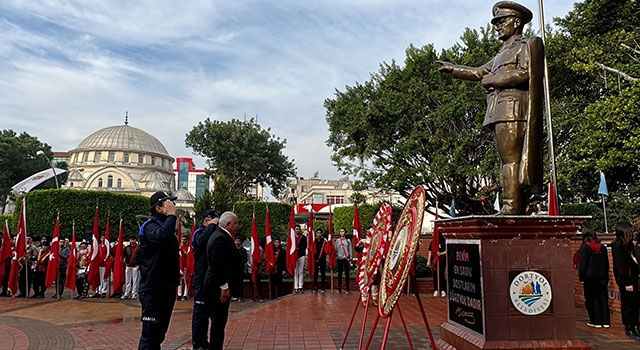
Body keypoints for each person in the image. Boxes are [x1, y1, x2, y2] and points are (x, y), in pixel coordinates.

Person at [437, 1, 544, 214]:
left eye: (501, 21)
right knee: (506, 161)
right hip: (500, 112)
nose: (497, 26)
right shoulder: (501, 53)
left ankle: (511, 207)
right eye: (496, 22)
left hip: (514, 111)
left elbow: (526, 74)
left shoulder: (527, 44)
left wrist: (494, 80)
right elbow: (479, 73)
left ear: (516, 22)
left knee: (511, 161)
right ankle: (512, 205)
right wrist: (454, 69)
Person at [136, 191, 180, 350]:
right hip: (153, 289)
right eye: (168, 203)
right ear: (158, 208)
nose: (172, 206)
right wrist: (171, 216)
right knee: (150, 335)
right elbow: (161, 237)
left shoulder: (164, 226)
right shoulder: (150, 226)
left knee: (159, 334)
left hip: (165, 287)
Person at [204, 211, 243, 350]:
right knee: (218, 321)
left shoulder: (221, 236)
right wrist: (224, 286)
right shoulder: (220, 238)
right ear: (228, 224)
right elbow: (216, 265)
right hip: (218, 289)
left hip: (218, 286)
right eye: (236, 223)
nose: (237, 226)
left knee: (219, 321)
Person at [191, 209, 219, 350]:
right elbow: (200, 242)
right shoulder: (199, 232)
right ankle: (198, 343)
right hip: (201, 278)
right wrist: (211, 226)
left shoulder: (213, 233)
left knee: (209, 314)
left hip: (211, 279)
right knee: (200, 314)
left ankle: (204, 341)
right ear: (207, 220)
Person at [611, 221, 640, 341]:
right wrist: (626, 282)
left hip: (634, 279)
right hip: (626, 281)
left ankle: (635, 326)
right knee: (628, 305)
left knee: (635, 305)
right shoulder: (618, 246)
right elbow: (621, 267)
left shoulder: (629, 245)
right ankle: (629, 327)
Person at [578, 226, 610, 328]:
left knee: (592, 299)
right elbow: (607, 264)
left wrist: (581, 277)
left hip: (590, 278)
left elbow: (582, 265)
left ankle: (595, 320)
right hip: (602, 277)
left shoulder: (584, 247)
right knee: (603, 299)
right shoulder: (602, 247)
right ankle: (605, 321)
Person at [427, 231, 447, 297]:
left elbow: (447, 250)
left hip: (442, 260)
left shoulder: (443, 241)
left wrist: (441, 254)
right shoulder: (433, 242)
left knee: (441, 275)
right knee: (435, 275)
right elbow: (430, 251)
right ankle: (436, 289)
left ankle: (442, 290)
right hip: (434, 261)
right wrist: (429, 261)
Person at [335, 228, 352, 294]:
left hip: (346, 259)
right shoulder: (337, 241)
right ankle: (339, 288)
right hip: (339, 259)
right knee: (339, 274)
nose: (341, 232)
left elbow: (350, 250)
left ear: (345, 232)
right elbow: (335, 249)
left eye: (343, 231)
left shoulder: (348, 241)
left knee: (347, 274)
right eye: (340, 231)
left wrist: (350, 258)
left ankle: (347, 288)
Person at [231, 237, 248, 302]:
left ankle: (240, 296)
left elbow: (245, 259)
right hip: (233, 269)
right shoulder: (232, 249)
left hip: (240, 269)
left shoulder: (243, 250)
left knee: (240, 283)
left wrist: (240, 264)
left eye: (239, 241)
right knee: (233, 283)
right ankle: (233, 296)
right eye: (236, 241)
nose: (237, 242)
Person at [312, 228, 328, 293]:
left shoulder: (324, 241)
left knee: (323, 273)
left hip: (322, 259)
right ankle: (315, 287)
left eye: (320, 233)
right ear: (316, 234)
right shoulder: (314, 241)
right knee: (315, 273)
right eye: (317, 233)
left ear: (321, 234)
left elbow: (326, 250)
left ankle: (323, 287)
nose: (319, 234)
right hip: (315, 259)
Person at [293, 224, 307, 294]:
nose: (297, 230)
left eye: (299, 229)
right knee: (295, 272)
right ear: (294, 230)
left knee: (301, 271)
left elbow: (305, 246)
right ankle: (296, 287)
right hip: (294, 256)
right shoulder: (292, 237)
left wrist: (299, 248)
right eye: (296, 229)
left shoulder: (303, 237)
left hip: (301, 255)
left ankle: (300, 286)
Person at [178, 235, 190, 301]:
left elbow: (186, 256)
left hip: (186, 266)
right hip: (179, 266)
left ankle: (185, 294)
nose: (183, 240)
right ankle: (179, 294)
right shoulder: (179, 247)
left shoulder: (188, 247)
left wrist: (181, 250)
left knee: (186, 280)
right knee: (179, 281)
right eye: (182, 239)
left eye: (184, 239)